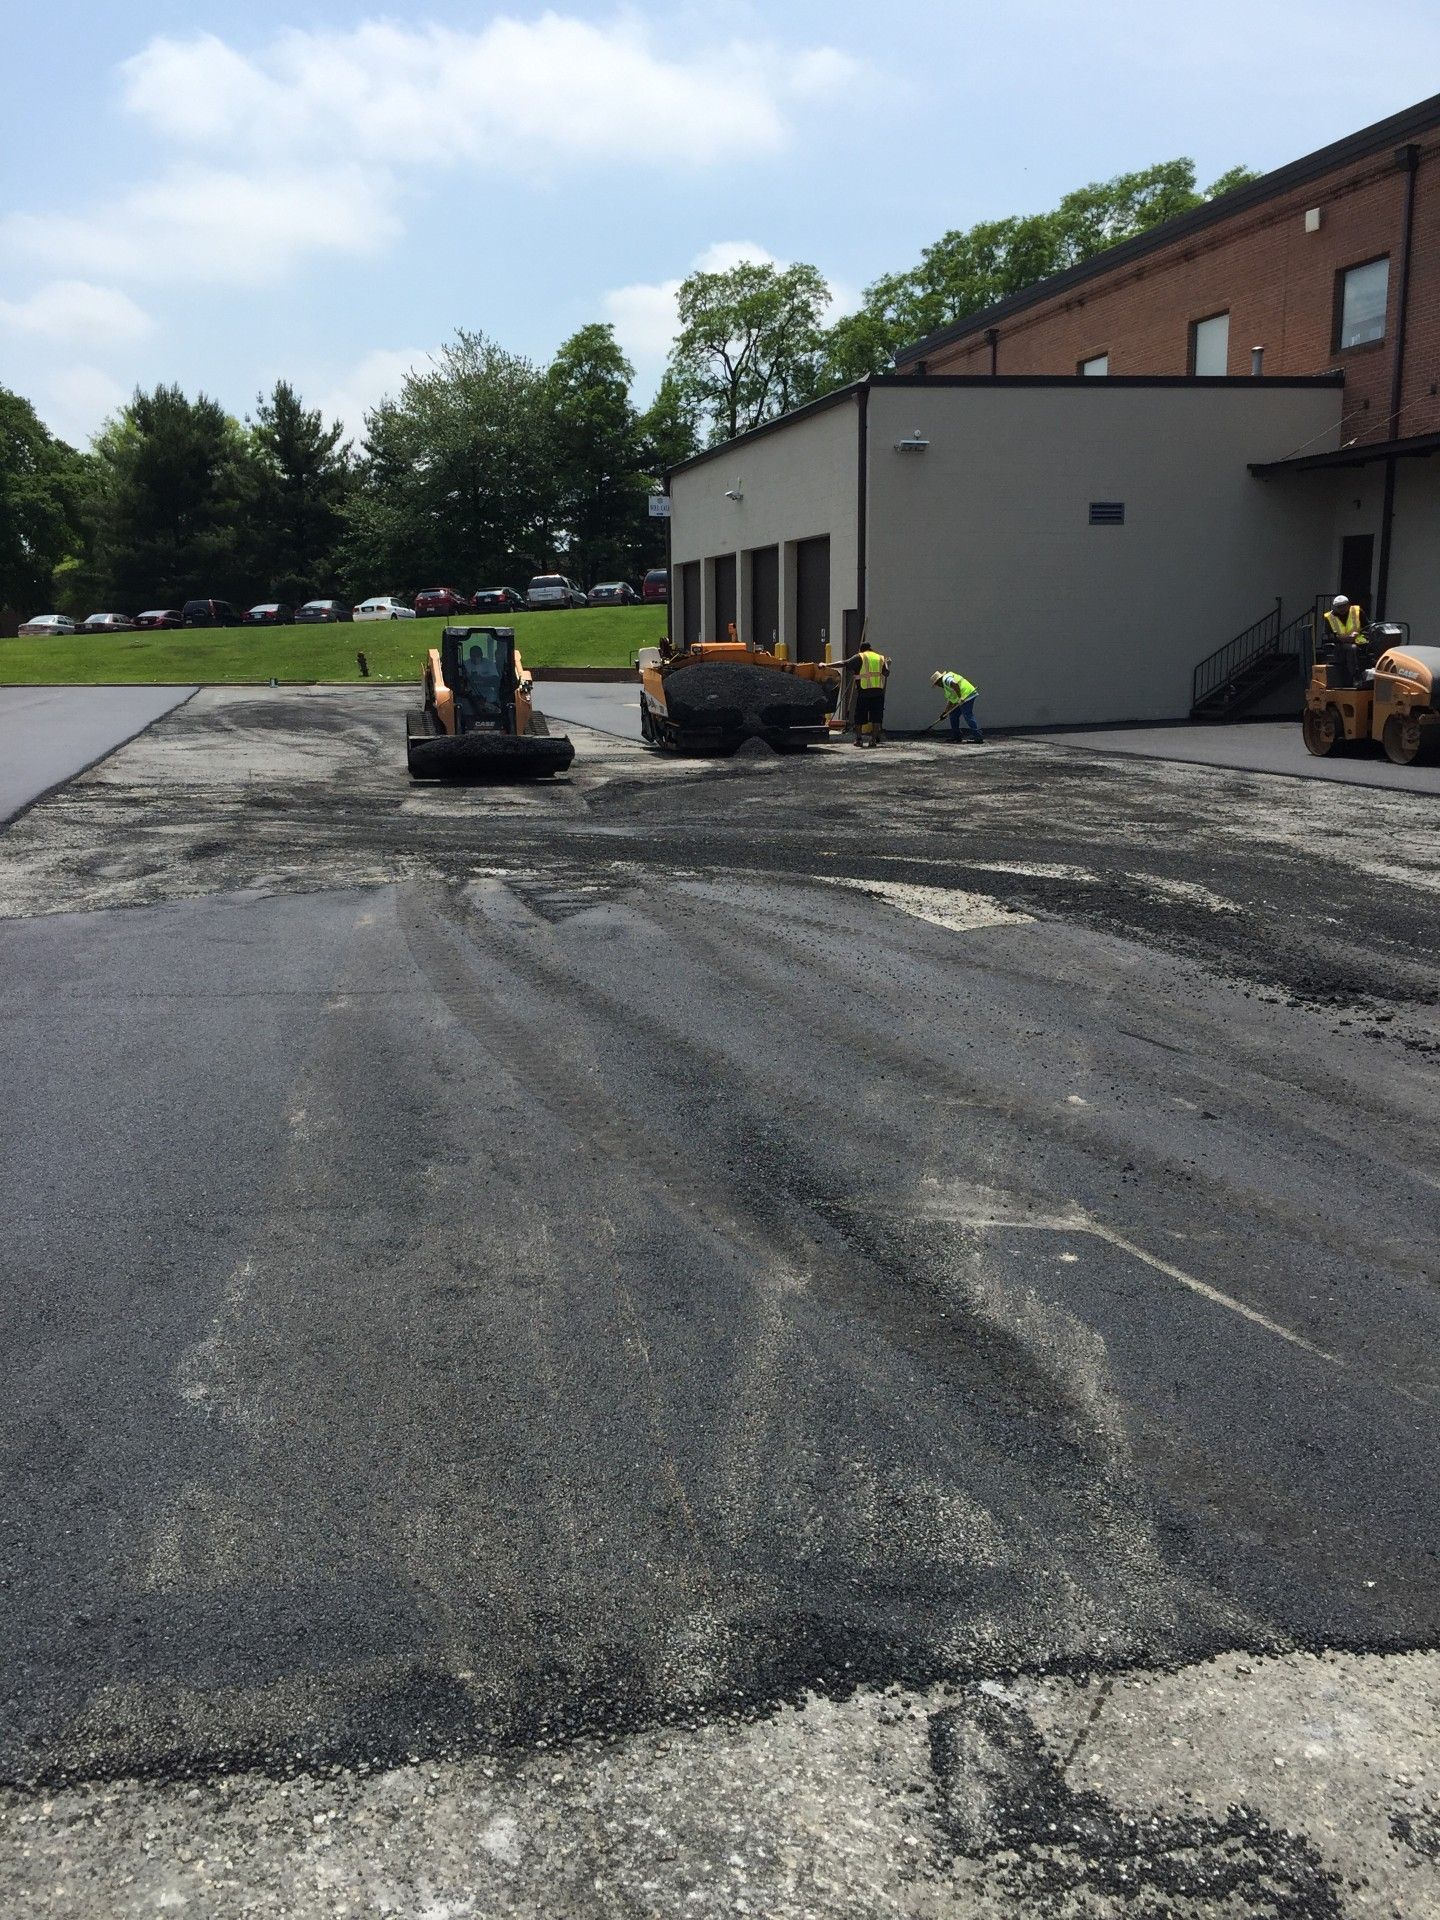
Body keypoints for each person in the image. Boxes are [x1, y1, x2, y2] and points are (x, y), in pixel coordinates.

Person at [839, 639, 891, 746]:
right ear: (870, 648)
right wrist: (888, 664)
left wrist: (826, 664)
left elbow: (844, 663)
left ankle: (859, 740)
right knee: (876, 717)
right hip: (878, 693)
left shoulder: (860, 656)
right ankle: (873, 741)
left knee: (859, 716)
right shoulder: (880, 658)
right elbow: (886, 673)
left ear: (861, 650)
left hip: (864, 693)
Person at [1322, 595, 1365, 687]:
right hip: (1339, 645)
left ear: (1348, 604)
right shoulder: (1330, 617)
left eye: (1343, 605)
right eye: (1339, 607)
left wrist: (1357, 634)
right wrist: (1340, 639)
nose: (1341, 608)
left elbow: (1367, 627)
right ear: (1334, 607)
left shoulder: (1357, 612)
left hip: (1359, 641)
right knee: (1351, 649)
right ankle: (1354, 676)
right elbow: (1327, 635)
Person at [931, 669, 984, 743]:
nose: (938, 686)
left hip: (967, 695)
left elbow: (955, 684)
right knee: (953, 715)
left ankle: (978, 737)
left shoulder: (946, 679)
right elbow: (951, 701)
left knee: (967, 715)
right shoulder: (946, 687)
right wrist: (945, 712)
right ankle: (956, 736)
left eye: (937, 684)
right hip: (962, 698)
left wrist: (960, 697)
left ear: (939, 681)